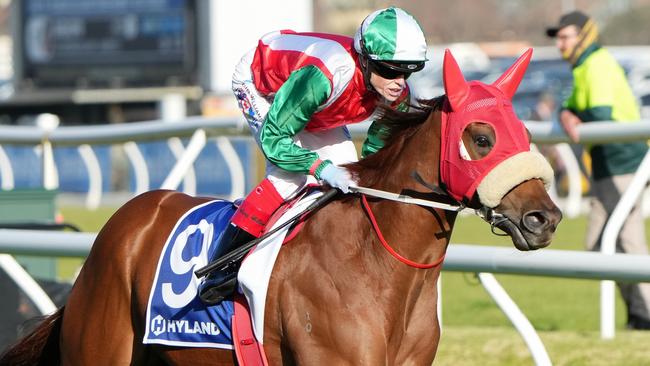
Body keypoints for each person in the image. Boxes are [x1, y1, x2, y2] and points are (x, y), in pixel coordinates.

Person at [199, 7, 428, 304]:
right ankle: (221, 267)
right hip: (264, 86)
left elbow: (374, 156)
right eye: (389, 69)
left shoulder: (398, 93)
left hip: (312, 105)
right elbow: (275, 138)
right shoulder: (326, 75)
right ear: (366, 60)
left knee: (349, 173)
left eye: (408, 70)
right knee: (289, 178)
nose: (399, 80)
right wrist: (319, 166)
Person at [547, 10, 650, 329]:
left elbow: (600, 113)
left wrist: (571, 114)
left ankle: (644, 314)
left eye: (566, 37)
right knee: (599, 243)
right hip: (609, 166)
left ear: (585, 35)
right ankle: (639, 313)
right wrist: (567, 114)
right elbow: (571, 106)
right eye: (559, 38)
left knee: (627, 241)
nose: (561, 44)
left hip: (625, 162)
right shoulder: (584, 67)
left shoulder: (599, 63)